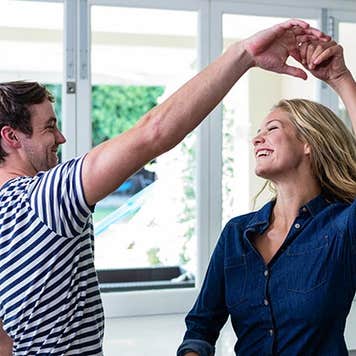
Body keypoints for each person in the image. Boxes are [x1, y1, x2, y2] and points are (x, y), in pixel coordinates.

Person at [0, 19, 328, 355]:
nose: (61, 137)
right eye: (49, 127)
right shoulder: (41, 199)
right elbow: (153, 133)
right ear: (11, 137)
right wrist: (244, 54)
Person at [177, 36, 356, 355]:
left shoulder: (341, 227)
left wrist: (341, 80)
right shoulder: (236, 234)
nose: (257, 138)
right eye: (258, 131)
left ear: (308, 143)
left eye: (272, 128)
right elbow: (201, 328)